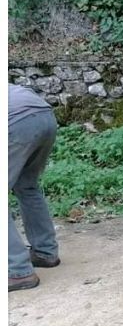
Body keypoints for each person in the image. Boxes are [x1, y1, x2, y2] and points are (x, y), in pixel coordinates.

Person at [8, 85, 60, 292]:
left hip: (14, 121)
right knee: (27, 185)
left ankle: (18, 271)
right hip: (44, 116)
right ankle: (45, 252)